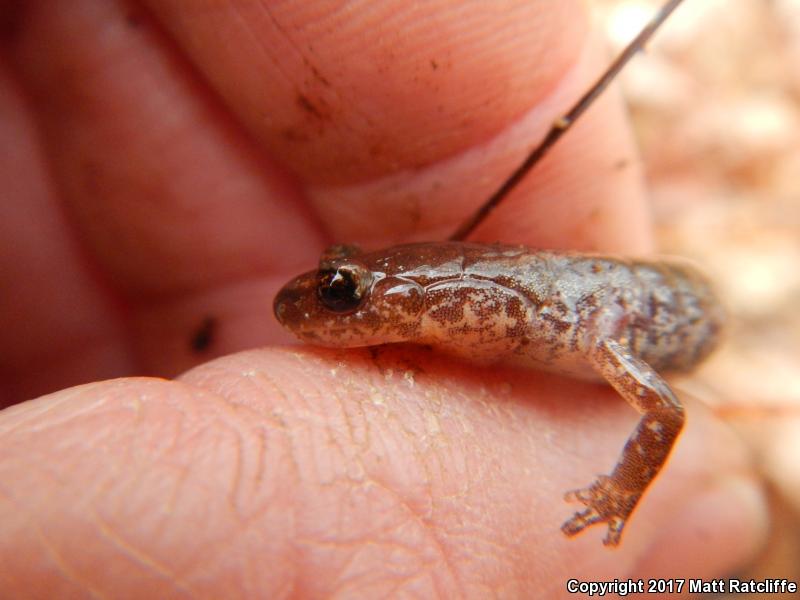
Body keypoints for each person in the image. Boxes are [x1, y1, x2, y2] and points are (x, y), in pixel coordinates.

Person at [0, 0, 766, 596]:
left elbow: (666, 411)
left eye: (345, 294)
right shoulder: (502, 307)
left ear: (469, 304)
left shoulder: (592, 328)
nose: (323, 305)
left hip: (686, 307)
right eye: (343, 284)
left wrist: (621, 489)